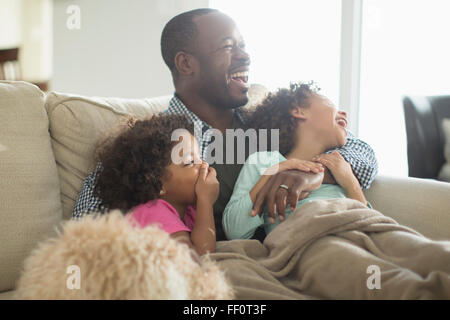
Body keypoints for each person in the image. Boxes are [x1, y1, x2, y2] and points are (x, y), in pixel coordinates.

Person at [72, 8, 378, 242]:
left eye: (243, 46)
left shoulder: (264, 124)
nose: (245, 56)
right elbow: (84, 230)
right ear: (186, 64)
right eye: (228, 47)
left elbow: (363, 152)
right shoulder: (157, 143)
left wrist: (314, 173)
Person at [223, 82, 368, 239]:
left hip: (354, 236)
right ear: (298, 111)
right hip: (309, 241)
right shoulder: (264, 161)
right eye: (328, 102)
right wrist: (272, 174)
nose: (344, 113)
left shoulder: (339, 165)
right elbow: (234, 231)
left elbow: (367, 224)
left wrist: (350, 182)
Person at [93, 114, 219, 255]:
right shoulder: (153, 212)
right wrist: (205, 201)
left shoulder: (189, 210)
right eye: (190, 162)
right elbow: (199, 256)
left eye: (200, 157)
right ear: (159, 185)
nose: (203, 165)